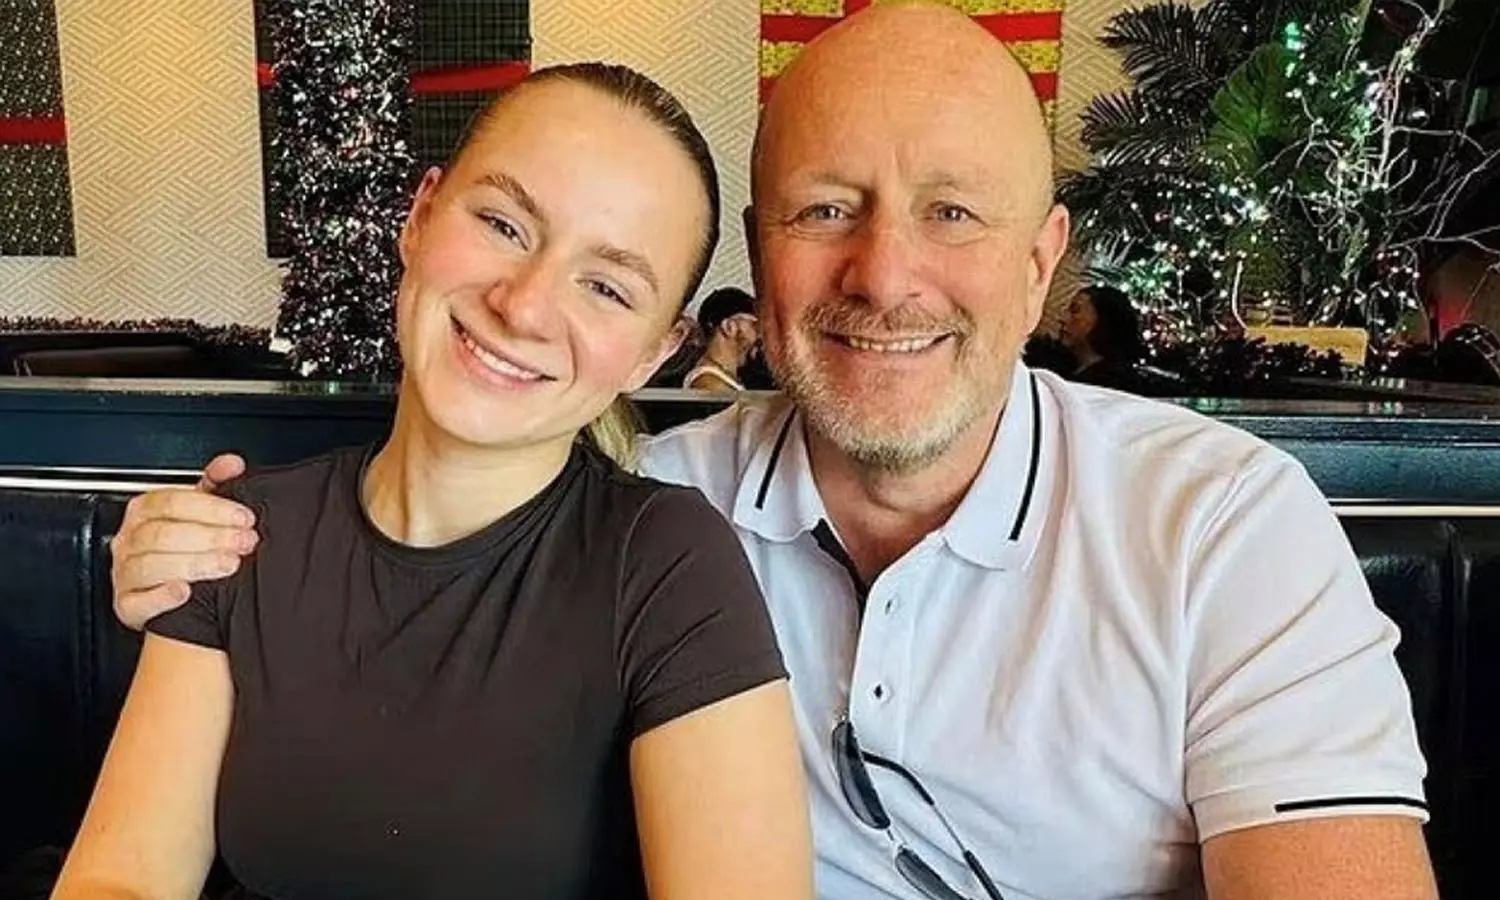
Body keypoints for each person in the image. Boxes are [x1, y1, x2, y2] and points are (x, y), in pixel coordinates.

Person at [108, 6, 1437, 899]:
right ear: (756, 259)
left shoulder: (1222, 530)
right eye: (826, 209)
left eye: (952, 213)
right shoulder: (649, 506)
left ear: (1042, 266)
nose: (886, 275)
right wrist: (188, 554)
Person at [56, 63, 813, 900]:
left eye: (605, 286)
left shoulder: (667, 563)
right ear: (419, 219)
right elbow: (118, 878)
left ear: (653, 354)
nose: (523, 305)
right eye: (503, 224)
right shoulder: (241, 532)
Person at [1058, 284, 1148, 388]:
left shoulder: (1113, 384)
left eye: (1075, 311)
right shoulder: (1058, 365)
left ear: (1103, 321)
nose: (1062, 319)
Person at [683, 286, 759, 392]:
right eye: (754, 325)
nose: (759, 334)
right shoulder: (709, 384)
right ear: (729, 326)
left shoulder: (723, 377)